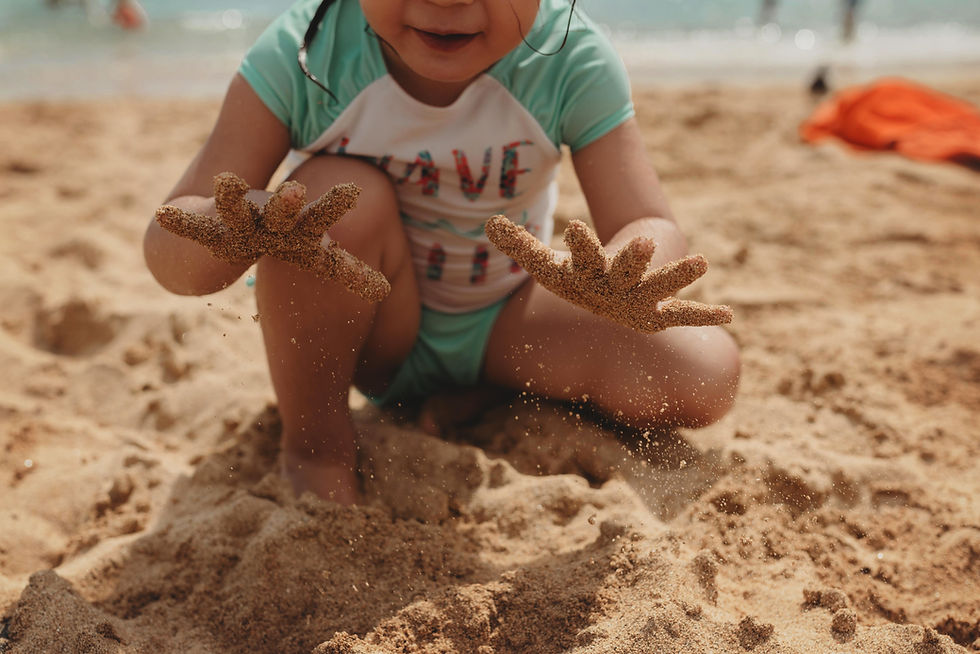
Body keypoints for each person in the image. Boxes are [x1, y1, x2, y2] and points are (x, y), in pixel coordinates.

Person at [143, 0, 741, 504]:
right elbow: (169, 241)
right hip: (371, 329)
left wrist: (628, 273)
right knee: (330, 201)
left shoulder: (569, 59)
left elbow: (647, 219)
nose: (448, 0)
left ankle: (476, 398)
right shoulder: (305, 53)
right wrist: (239, 225)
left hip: (506, 321)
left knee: (706, 372)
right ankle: (316, 450)